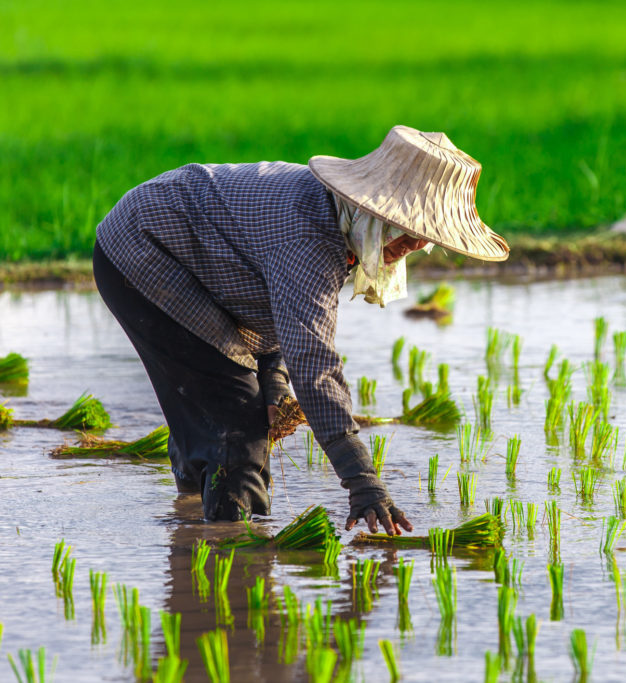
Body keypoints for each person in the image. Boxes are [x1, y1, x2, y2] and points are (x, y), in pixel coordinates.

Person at [92, 125, 510, 531]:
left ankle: (194, 531)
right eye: (406, 229)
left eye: (424, 236)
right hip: (144, 250)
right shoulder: (310, 236)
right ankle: (233, 547)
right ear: (374, 209)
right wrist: (363, 483)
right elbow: (314, 366)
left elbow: (272, 306)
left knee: (217, 409)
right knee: (236, 423)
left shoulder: (345, 224)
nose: (414, 245)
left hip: (186, 258)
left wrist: (273, 380)